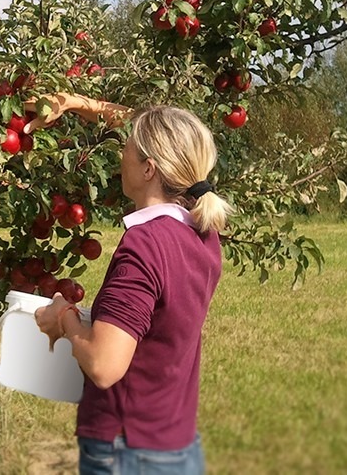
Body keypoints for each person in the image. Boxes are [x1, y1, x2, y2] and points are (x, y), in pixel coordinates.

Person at [24, 93, 232, 475]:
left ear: (149, 169)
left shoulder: (145, 245)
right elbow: (152, 125)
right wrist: (71, 103)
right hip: (174, 442)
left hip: (128, 451)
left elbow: (104, 365)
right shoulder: (203, 233)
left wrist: (64, 318)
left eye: (129, 147)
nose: (121, 153)